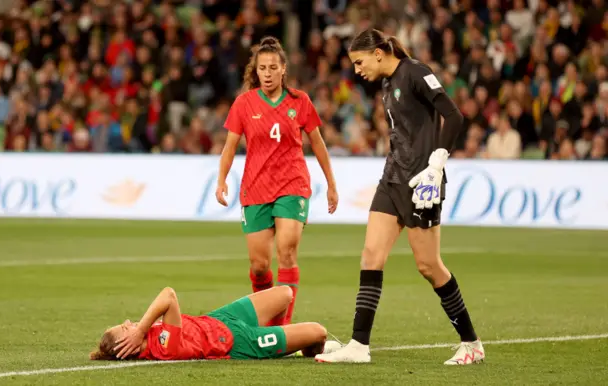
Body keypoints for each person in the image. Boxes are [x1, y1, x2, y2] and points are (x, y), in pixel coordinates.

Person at [314, 29, 485, 365]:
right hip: (392, 179)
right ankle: (359, 346)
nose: (358, 69)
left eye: (360, 62)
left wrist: (437, 163)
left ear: (379, 53)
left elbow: (454, 115)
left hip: (423, 183)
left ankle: (472, 343)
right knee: (371, 256)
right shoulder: (387, 83)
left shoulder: (417, 73)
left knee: (428, 265)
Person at [216, 36, 338, 327]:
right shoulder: (244, 104)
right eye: (262, 68)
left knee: (287, 251)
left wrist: (331, 183)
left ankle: (281, 330)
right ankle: (267, 318)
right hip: (255, 187)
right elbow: (230, 146)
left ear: (284, 69)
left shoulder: (300, 102)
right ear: (255, 71)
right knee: (259, 267)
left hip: (292, 184)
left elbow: (318, 144)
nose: (267, 73)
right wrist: (221, 180)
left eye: (273, 67)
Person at [91, 286, 342, 361]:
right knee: (318, 333)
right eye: (124, 328)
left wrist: (140, 330)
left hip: (220, 319)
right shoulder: (164, 347)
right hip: (238, 342)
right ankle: (299, 350)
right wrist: (141, 330)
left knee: (286, 293)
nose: (127, 322)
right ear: (130, 346)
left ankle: (282, 338)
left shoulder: (153, 335)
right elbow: (169, 295)